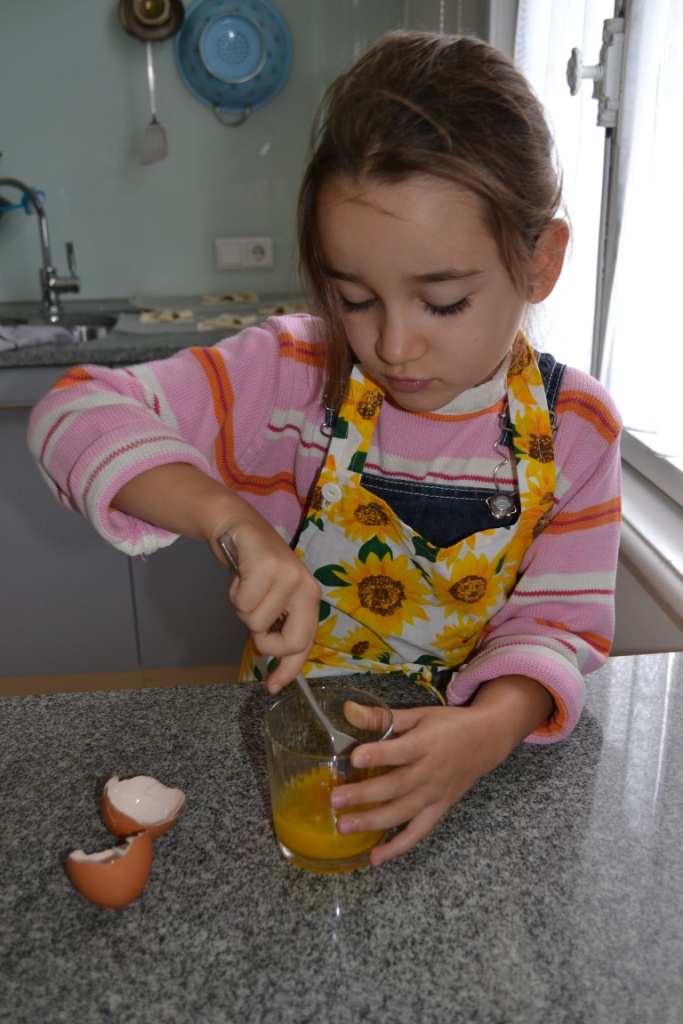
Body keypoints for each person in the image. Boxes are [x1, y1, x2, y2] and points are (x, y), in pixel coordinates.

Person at [28, 31, 621, 866]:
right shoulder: (294, 373)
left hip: (470, 784)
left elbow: (555, 626)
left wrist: (485, 732)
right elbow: (73, 409)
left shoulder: (574, 429)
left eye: (442, 302)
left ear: (540, 262)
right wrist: (231, 521)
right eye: (355, 298)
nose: (393, 347)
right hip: (298, 764)